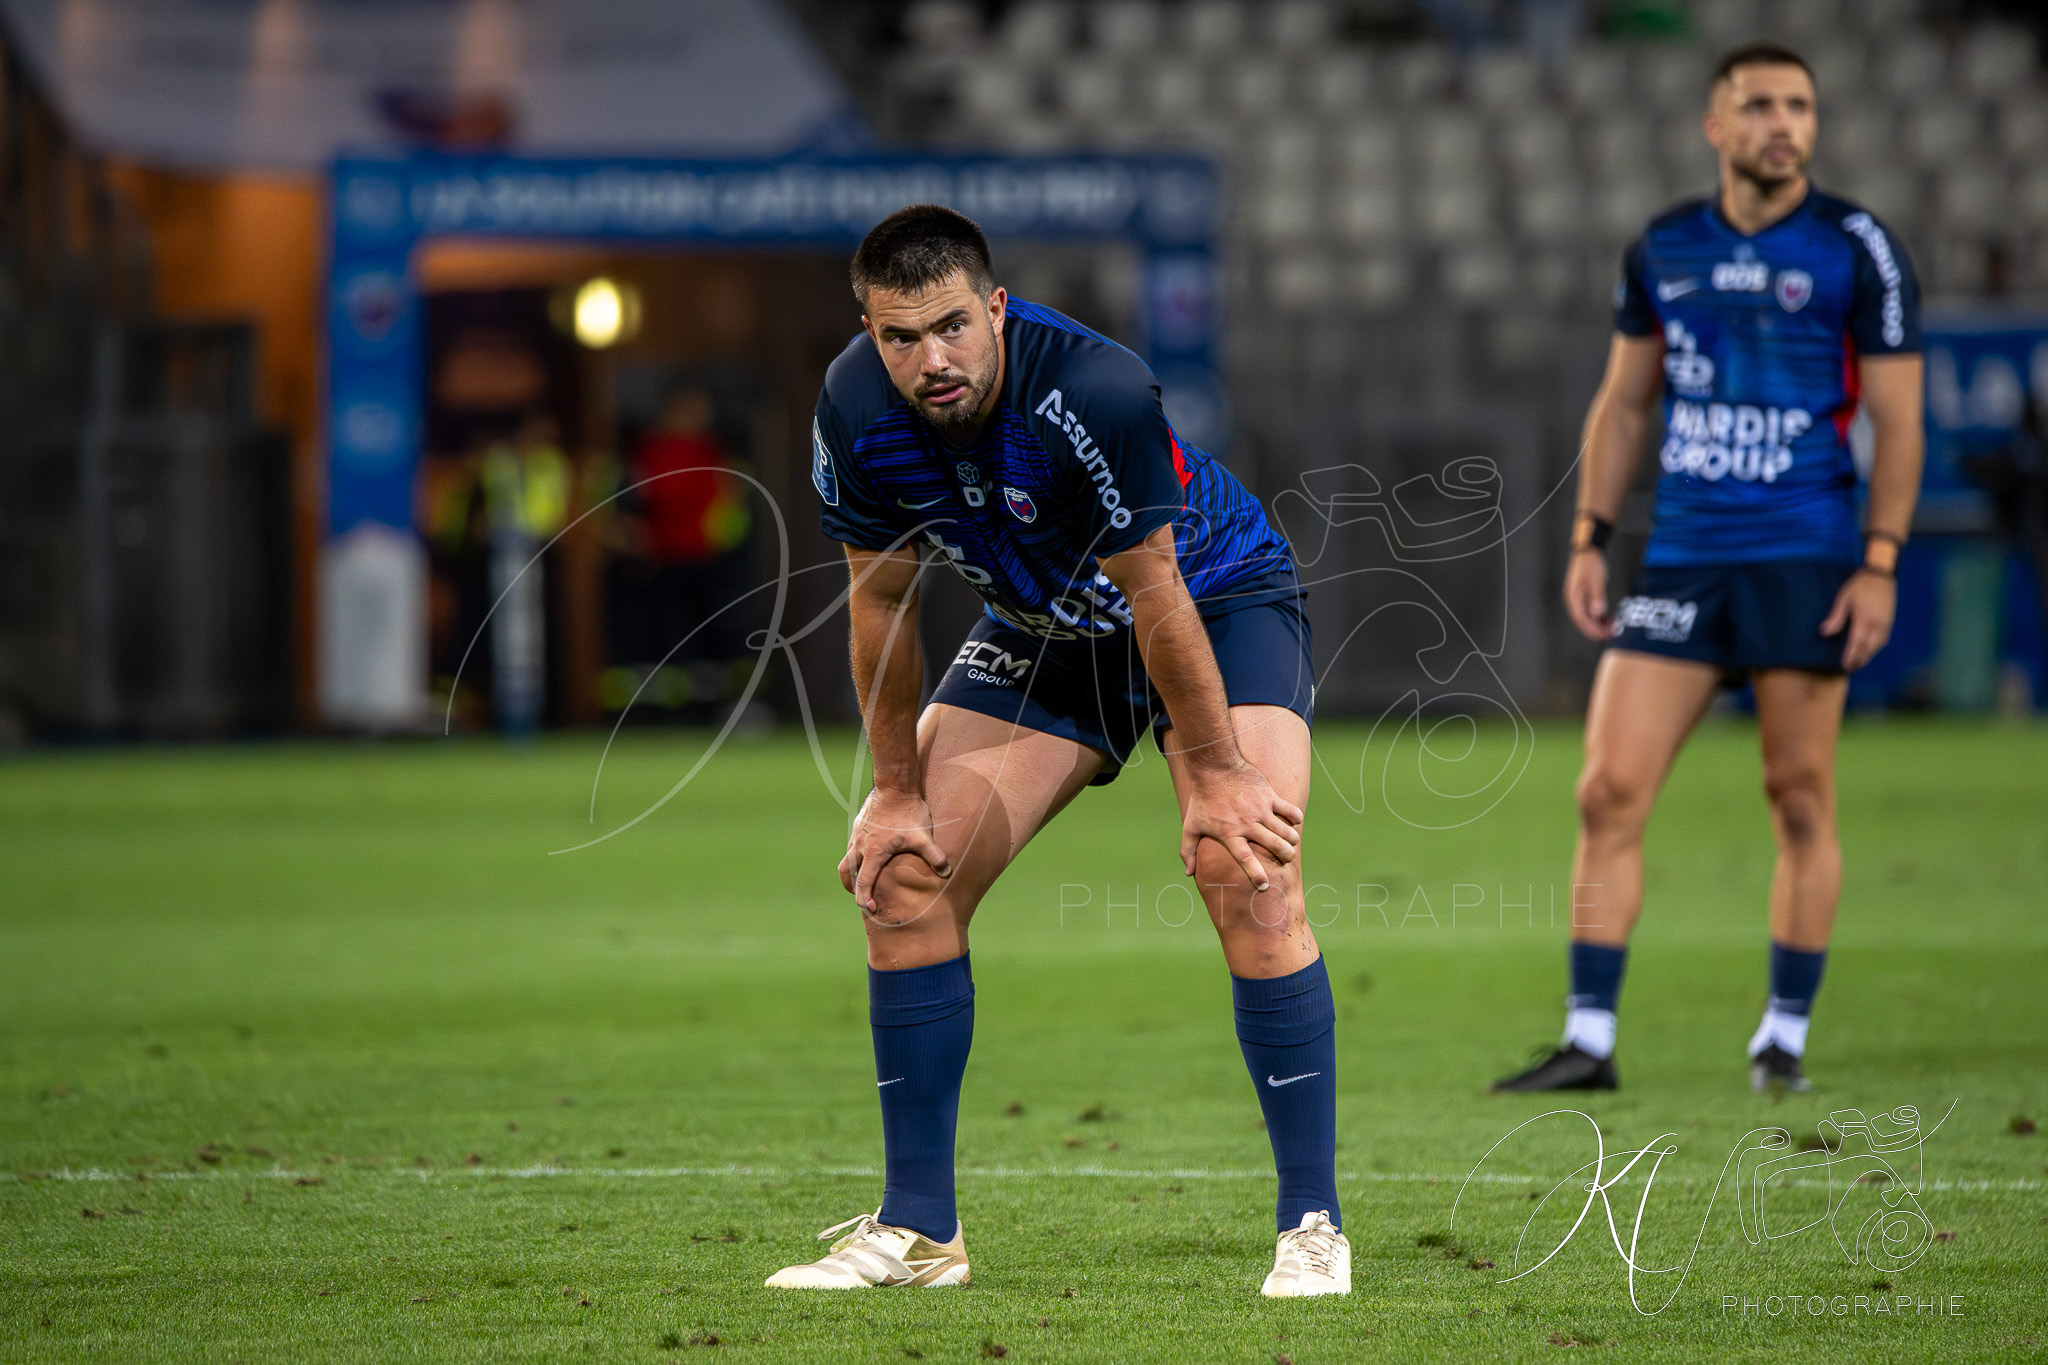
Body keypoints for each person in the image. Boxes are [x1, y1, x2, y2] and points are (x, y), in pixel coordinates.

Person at [765, 206, 1346, 1296]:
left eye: (948, 328)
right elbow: (879, 603)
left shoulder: (1093, 388)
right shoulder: (853, 410)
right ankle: (922, 1231)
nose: (928, 361)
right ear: (867, 331)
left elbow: (1156, 591)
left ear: (994, 308)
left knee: (1247, 865)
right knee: (901, 877)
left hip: (1210, 602)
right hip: (1045, 634)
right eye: (899, 338)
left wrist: (1217, 775)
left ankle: (1310, 1221)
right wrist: (893, 792)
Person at [1491, 42, 1924, 1095]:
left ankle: (1780, 1037)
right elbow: (1624, 402)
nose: (1783, 123)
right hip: (1681, 556)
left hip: (1802, 555)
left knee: (1797, 797)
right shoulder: (1663, 247)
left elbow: (1900, 421)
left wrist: (1878, 563)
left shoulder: (1855, 248)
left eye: (1799, 107)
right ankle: (1587, 1040)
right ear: (1714, 125)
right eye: (1759, 105)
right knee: (1605, 791)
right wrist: (1588, 536)